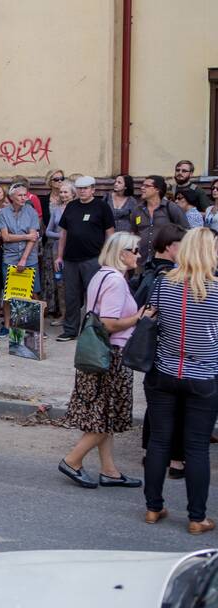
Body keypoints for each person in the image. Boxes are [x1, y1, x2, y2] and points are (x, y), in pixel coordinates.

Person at [58, 232, 148, 490]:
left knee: (104, 417)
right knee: (105, 418)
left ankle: (109, 470)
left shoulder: (101, 274)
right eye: (135, 250)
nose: (139, 255)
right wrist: (138, 318)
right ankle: (72, 460)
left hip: (97, 354)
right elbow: (108, 323)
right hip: (111, 355)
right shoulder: (117, 281)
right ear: (122, 253)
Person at [143, 228, 218, 533]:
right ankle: (197, 517)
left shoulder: (163, 284)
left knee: (160, 440)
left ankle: (153, 507)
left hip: (164, 371)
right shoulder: (215, 290)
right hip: (203, 376)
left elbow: (149, 320)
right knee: (197, 447)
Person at [134, 224, 186, 478]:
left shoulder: (150, 270)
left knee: (156, 404)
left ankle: (150, 452)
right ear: (170, 246)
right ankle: (175, 460)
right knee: (175, 407)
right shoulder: (167, 276)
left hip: (152, 348)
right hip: (164, 347)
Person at [53, 176, 115, 342]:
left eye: (86, 188)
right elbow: (63, 233)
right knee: (71, 295)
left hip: (93, 258)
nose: (82, 191)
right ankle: (70, 330)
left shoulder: (102, 207)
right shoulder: (72, 206)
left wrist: (109, 256)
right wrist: (59, 256)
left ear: (93, 190)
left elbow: (110, 233)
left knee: (95, 296)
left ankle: (94, 330)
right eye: (80, 188)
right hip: (71, 259)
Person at [0, 183, 41, 333]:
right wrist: (26, 236)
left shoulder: (32, 212)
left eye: (25, 195)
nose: (23, 198)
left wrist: (23, 259)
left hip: (29, 257)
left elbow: (33, 239)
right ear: (11, 197)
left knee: (33, 291)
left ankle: (36, 325)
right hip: (10, 257)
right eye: (20, 195)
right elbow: (5, 237)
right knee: (9, 292)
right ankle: (7, 325)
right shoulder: (4, 212)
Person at [131, 175, 190, 264]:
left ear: (157, 189)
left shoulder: (171, 208)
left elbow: (186, 232)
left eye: (146, 186)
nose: (142, 188)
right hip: (140, 261)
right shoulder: (137, 210)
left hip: (165, 262)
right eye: (142, 185)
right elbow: (133, 233)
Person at [43, 180, 76, 326]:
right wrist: (62, 236)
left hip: (75, 249)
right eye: (61, 192)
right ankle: (63, 315)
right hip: (57, 251)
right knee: (60, 283)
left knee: (75, 284)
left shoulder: (77, 208)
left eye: (66, 192)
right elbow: (48, 231)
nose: (63, 195)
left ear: (73, 194)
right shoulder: (56, 209)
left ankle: (75, 317)